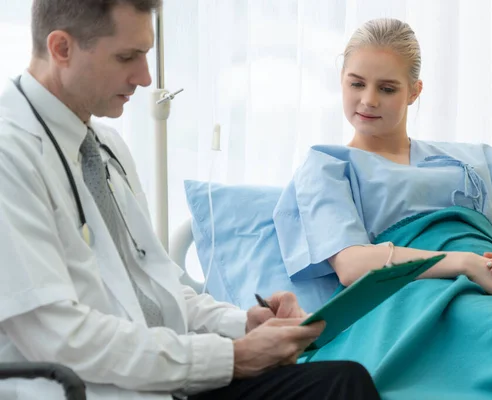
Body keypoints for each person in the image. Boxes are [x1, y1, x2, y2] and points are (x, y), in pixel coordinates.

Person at [0, 1, 381, 400]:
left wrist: (244, 327)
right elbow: (61, 339)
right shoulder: (12, 157)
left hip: (157, 381)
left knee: (342, 381)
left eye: (145, 55)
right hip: (94, 390)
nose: (145, 78)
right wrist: (231, 358)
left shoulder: (106, 147)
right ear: (62, 48)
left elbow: (158, 288)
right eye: (127, 57)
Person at [273, 18, 492, 400]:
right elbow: (351, 266)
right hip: (417, 301)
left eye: (387, 88)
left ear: (415, 91)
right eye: (356, 83)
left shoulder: (479, 160)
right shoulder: (327, 166)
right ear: (341, 80)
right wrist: (465, 263)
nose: (368, 100)